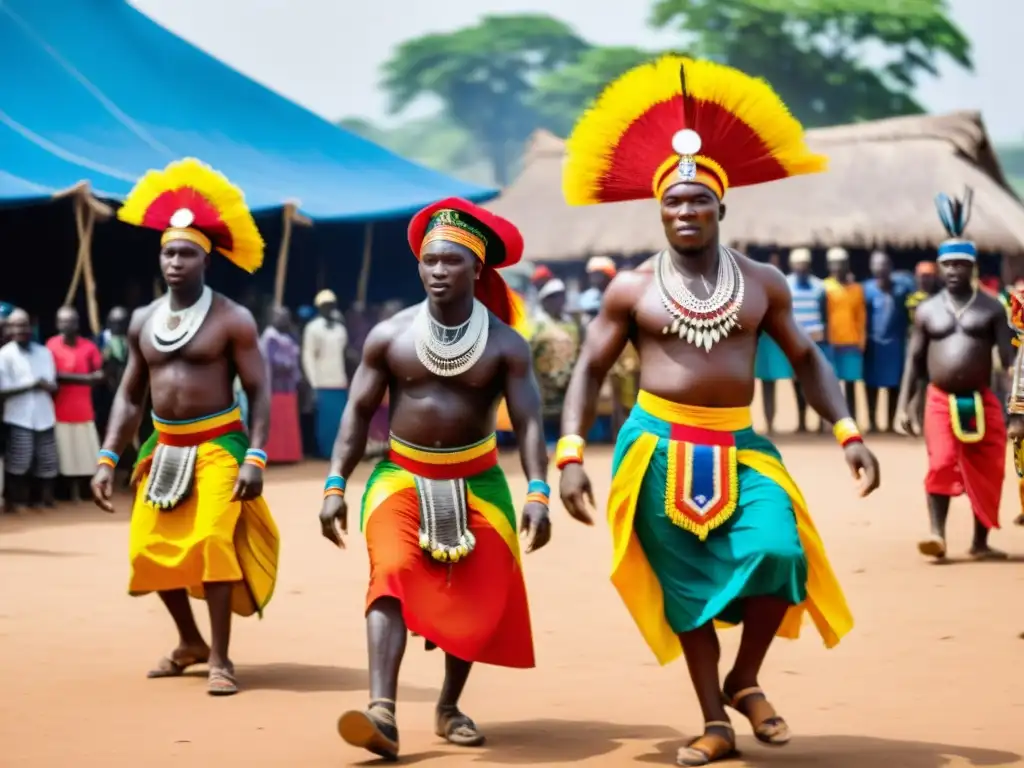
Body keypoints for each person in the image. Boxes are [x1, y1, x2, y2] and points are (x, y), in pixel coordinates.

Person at [557, 56, 880, 766]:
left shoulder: (762, 283)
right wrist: (571, 452)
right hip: (653, 451)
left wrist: (848, 429)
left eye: (698, 201)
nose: (685, 212)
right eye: (673, 203)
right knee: (687, 592)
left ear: (722, 208)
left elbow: (806, 359)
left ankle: (745, 678)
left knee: (780, 552)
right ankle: (714, 720)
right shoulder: (632, 290)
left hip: (740, 446)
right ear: (658, 210)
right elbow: (589, 368)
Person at [319, 197, 550, 761]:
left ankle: (448, 706)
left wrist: (539, 490)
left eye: (451, 262)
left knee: (479, 587)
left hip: (479, 479)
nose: (438, 271)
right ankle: (381, 712)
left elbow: (528, 422)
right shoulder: (390, 336)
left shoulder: (505, 344)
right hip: (400, 474)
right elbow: (355, 412)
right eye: (429, 262)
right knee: (393, 572)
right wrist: (334, 484)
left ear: (476, 270)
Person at [91, 157, 279, 696]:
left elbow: (260, 390)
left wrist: (256, 455)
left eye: (186, 253)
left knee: (214, 541)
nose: (175, 261)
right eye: (168, 251)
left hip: (220, 444)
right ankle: (189, 641)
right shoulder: (143, 320)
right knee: (147, 549)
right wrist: (108, 457)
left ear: (207, 259)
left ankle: (221, 657)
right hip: (162, 447)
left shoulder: (232, 319)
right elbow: (129, 395)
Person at [897, 188, 1016, 561]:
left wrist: (1017, 410)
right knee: (941, 463)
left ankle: (980, 543)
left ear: (972, 267)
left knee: (990, 466)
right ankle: (937, 535)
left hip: (983, 398)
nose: (952, 271)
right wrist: (904, 406)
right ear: (940, 265)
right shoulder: (928, 311)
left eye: (960, 265)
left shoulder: (992, 309)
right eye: (947, 265)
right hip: (938, 399)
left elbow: (1012, 363)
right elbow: (914, 362)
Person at [0, 308, 59, 510]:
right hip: (19, 416)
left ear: (31, 326)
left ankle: (44, 501)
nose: (21, 329)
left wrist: (49, 387)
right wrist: (32, 386)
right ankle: (14, 501)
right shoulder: (4, 355)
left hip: (44, 415)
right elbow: (2, 392)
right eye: (16, 325)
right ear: (9, 328)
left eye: (24, 325)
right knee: (18, 462)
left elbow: (52, 382)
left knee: (47, 461)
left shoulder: (44, 352)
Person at [46, 306, 104, 501]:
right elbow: (52, 376)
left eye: (70, 321)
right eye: (62, 321)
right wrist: (86, 378)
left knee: (86, 455)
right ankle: (70, 494)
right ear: (56, 324)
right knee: (66, 456)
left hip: (84, 410)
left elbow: (101, 375)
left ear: (77, 324)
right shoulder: (51, 345)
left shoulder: (89, 346)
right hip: (60, 410)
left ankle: (84, 493)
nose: (66, 325)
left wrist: (68, 378)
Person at [863, 251, 911, 433]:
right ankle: (873, 424)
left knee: (894, 386)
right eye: (876, 264)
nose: (880, 268)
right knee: (871, 386)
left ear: (890, 267)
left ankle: (891, 424)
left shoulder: (901, 289)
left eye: (883, 264)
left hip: (895, 345)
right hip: (872, 345)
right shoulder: (866, 289)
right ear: (871, 267)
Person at [531, 278, 582, 443]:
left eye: (561, 296)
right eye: (553, 297)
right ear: (544, 301)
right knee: (546, 430)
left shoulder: (572, 324)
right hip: (544, 387)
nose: (558, 301)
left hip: (568, 386)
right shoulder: (536, 325)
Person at [785, 248, 829, 433]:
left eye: (804, 264)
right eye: (798, 264)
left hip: (815, 342)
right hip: (795, 341)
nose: (801, 268)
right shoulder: (785, 284)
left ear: (809, 266)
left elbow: (825, 315)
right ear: (792, 265)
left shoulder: (819, 286)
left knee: (816, 383)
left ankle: (820, 422)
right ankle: (802, 421)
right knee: (797, 383)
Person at [302, 289, 349, 459]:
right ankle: (325, 452)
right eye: (325, 305)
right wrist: (313, 382)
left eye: (331, 305)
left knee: (340, 419)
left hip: (339, 380)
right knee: (325, 422)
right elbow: (308, 356)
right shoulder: (312, 328)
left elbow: (344, 355)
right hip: (322, 382)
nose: (329, 308)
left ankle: (339, 451)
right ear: (319, 307)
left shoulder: (340, 329)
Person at [753, 253, 793, 434]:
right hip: (759, 344)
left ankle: (771, 422)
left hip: (773, 342)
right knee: (762, 385)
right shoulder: (753, 289)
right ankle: (764, 423)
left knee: (771, 384)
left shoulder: (781, 290)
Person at [824, 247, 865, 423]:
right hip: (831, 342)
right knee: (829, 385)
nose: (837, 267)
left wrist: (862, 340)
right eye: (834, 264)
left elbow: (861, 316)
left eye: (841, 264)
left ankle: (852, 419)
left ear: (847, 265)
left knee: (850, 384)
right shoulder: (824, 287)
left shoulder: (856, 289)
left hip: (851, 342)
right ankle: (828, 420)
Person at [260, 306, 303, 463]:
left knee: (288, 421)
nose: (283, 320)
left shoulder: (288, 336)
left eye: (286, 317)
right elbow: (267, 363)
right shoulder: (269, 337)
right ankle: (274, 455)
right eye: (280, 317)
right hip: (275, 386)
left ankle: (288, 455)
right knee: (276, 422)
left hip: (288, 386)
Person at [905, 262, 939, 429]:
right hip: (915, 345)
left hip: (934, 348)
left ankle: (927, 421)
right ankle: (911, 419)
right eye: (922, 276)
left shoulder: (939, 298)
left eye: (928, 276)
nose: (925, 280)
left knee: (930, 386)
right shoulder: (911, 299)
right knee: (914, 384)